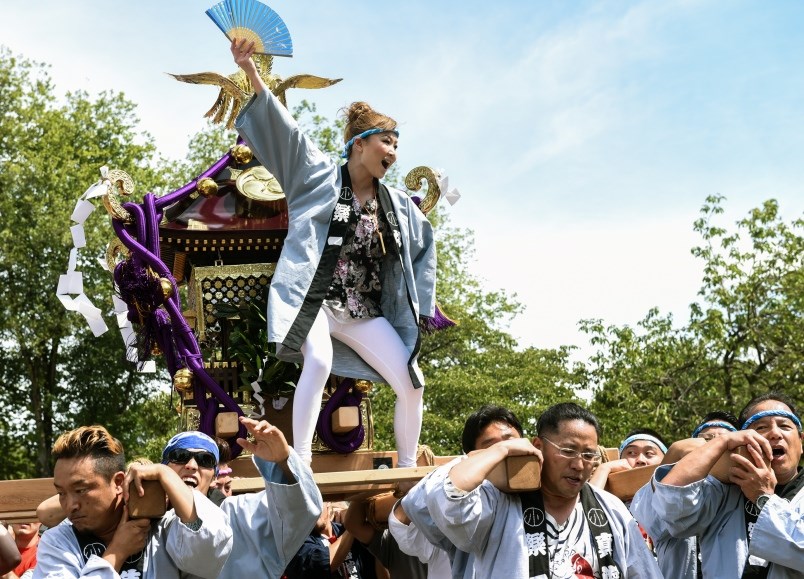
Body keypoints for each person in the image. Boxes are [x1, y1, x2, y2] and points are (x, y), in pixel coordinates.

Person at [231, 37, 437, 469]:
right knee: (319, 360)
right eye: (386, 142)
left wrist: (423, 303)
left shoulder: (396, 204)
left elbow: (423, 246)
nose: (394, 153)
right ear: (359, 144)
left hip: (361, 309)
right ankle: (301, 462)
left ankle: (406, 470)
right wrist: (250, 70)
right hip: (314, 301)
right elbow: (285, 129)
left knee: (412, 383)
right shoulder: (316, 175)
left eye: (397, 145)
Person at [421, 403, 661, 578]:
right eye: (567, 451)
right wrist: (501, 450)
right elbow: (450, 498)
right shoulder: (500, 502)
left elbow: (645, 572)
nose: (579, 464)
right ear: (538, 446)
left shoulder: (611, 509)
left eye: (588, 455)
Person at [32, 425, 232, 579]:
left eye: (81, 490)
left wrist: (165, 473)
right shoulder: (58, 541)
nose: (70, 505)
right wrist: (116, 552)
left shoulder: (164, 527)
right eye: (61, 493)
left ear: (119, 482)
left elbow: (209, 553)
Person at [650, 392, 804, 577]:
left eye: (784, 426)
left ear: (801, 441)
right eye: (761, 427)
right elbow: (673, 508)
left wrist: (763, 498)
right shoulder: (722, 490)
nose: (774, 433)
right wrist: (722, 441)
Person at [161, 421, 323, 579]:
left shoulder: (243, 516)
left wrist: (284, 461)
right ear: (163, 468)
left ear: (213, 477)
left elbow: (300, 512)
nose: (191, 465)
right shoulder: (147, 526)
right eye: (179, 456)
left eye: (205, 460)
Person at [396, 405, 525, 579]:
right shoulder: (470, 499)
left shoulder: (549, 491)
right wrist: (466, 467)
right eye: (490, 448)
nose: (503, 452)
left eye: (509, 441)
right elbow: (414, 503)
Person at [283, 501, 373, 579]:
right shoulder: (296, 544)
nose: (312, 510)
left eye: (316, 502)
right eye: (305, 506)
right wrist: (352, 526)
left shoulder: (343, 529)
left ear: (328, 503)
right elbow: (324, 562)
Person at [588, 428, 668, 489]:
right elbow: (588, 507)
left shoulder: (674, 494)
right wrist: (604, 468)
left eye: (649, 453)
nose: (640, 460)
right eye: (632, 453)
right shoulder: (610, 499)